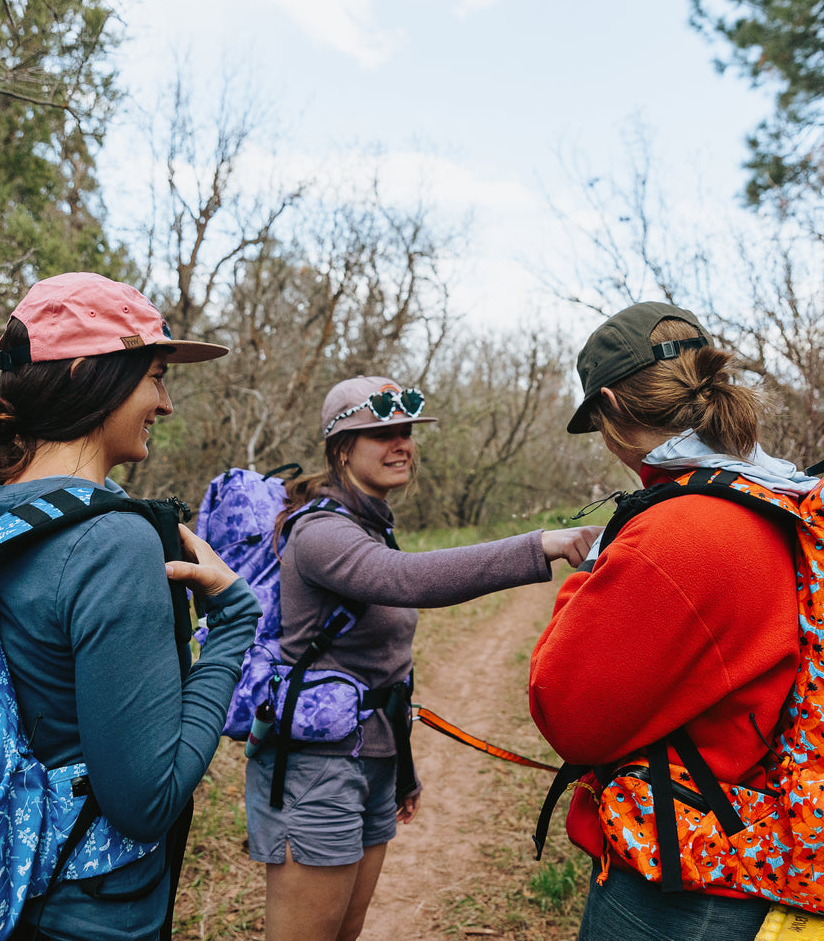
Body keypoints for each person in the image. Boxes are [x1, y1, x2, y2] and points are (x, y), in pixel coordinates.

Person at [0, 272, 262, 941]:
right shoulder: (110, 541)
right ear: (92, 373)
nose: (166, 403)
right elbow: (146, 802)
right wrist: (233, 625)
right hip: (90, 911)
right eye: (154, 376)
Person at [250, 375, 601, 941]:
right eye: (382, 433)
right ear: (342, 447)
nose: (402, 444)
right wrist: (540, 545)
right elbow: (407, 579)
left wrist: (402, 770)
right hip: (316, 770)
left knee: (345, 932)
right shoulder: (318, 532)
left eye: (407, 432)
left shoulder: (369, 528)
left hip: (372, 760)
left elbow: (388, 670)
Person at [528, 302, 815, 941]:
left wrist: (586, 580)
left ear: (610, 407)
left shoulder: (679, 529)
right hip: (759, 842)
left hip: (687, 876)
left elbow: (568, 714)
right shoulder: (773, 493)